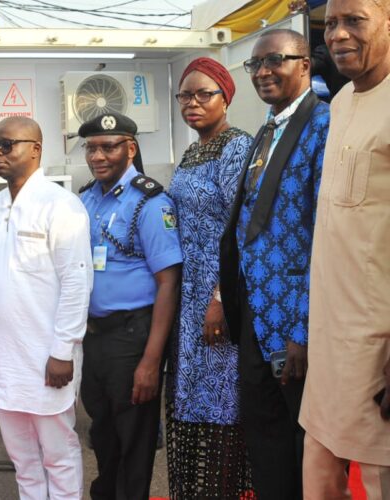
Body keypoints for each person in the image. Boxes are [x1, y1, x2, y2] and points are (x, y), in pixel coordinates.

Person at [219, 29, 329, 500]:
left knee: (307, 450)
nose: (263, 72)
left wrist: (303, 329)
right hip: (255, 320)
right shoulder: (266, 128)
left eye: (275, 61)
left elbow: (326, 234)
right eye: (255, 65)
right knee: (265, 444)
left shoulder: (324, 125)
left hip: (296, 326)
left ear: (304, 63)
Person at [299, 0, 390, 496]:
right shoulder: (340, 103)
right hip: (331, 334)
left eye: (354, 20)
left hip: (378, 342)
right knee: (319, 462)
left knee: (377, 472)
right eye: (331, 23)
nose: (337, 35)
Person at [0, 116, 91, 499]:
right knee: (23, 459)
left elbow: (78, 282)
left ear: (35, 149)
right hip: (5, 360)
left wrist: (63, 351)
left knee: (58, 455)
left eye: (7, 144)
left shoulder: (62, 205)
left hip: (48, 357)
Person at [78, 111, 183, 499]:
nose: (98, 156)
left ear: (130, 148)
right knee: (102, 434)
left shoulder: (151, 202)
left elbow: (168, 282)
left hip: (133, 337)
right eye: (91, 148)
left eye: (108, 147)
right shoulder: (86, 199)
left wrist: (151, 361)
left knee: (135, 441)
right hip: (94, 337)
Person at [165, 57, 255, 498]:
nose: (193, 103)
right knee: (192, 399)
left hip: (219, 294)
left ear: (226, 97)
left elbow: (243, 228)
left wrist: (220, 298)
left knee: (223, 402)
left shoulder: (238, 148)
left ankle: (222, 490)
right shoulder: (193, 151)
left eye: (204, 94)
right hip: (188, 296)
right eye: (186, 95)